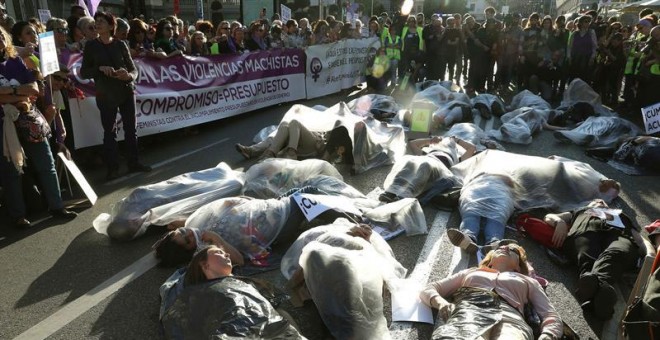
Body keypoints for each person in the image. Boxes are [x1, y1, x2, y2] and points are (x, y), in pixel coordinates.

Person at [0, 26, 77, 228]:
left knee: (46, 164)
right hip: (4, 123)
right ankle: (18, 216)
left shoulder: (15, 60)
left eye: (1, 35)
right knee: (12, 170)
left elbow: (34, 88)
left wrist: (10, 92)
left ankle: (57, 206)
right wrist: (19, 91)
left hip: (29, 118)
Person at [420, 244, 563, 340]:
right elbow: (429, 288)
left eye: (513, 250)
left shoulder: (528, 280)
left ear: (519, 267)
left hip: (512, 319)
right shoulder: (472, 272)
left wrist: (548, 335)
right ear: (489, 260)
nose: (505, 247)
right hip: (471, 310)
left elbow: (550, 315)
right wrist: (441, 303)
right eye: (500, 247)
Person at [160, 245, 303, 339]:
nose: (227, 254)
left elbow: (279, 317)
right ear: (204, 264)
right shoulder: (194, 295)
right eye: (219, 252)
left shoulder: (246, 283)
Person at [543, 199, 655, 319]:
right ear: (589, 204)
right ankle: (600, 295)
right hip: (586, 233)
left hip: (618, 237)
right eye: (596, 201)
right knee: (586, 253)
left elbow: (641, 240)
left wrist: (650, 253)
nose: (600, 201)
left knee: (618, 252)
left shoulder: (621, 216)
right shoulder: (579, 211)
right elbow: (549, 216)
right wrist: (559, 222)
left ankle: (590, 290)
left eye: (603, 202)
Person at [80, 11, 151, 181]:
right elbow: (83, 72)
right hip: (105, 93)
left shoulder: (120, 45)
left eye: (102, 21)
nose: (97, 24)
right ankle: (112, 168)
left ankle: (134, 162)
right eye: (96, 21)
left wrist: (128, 76)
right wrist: (99, 69)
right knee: (109, 131)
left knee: (130, 129)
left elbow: (133, 70)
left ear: (112, 26)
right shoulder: (91, 46)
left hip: (126, 91)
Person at [379, 135, 475, 202]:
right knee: (410, 161)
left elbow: (472, 148)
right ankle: (391, 192)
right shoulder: (428, 153)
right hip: (427, 161)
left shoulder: (457, 159)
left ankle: (405, 195)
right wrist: (430, 140)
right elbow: (412, 143)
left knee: (425, 165)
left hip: (440, 171)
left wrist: (457, 140)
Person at [235, 119, 352, 163]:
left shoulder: (341, 128)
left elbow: (339, 149)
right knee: (285, 125)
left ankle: (291, 153)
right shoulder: (321, 116)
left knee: (294, 122)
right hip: (302, 139)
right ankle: (252, 151)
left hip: (316, 144)